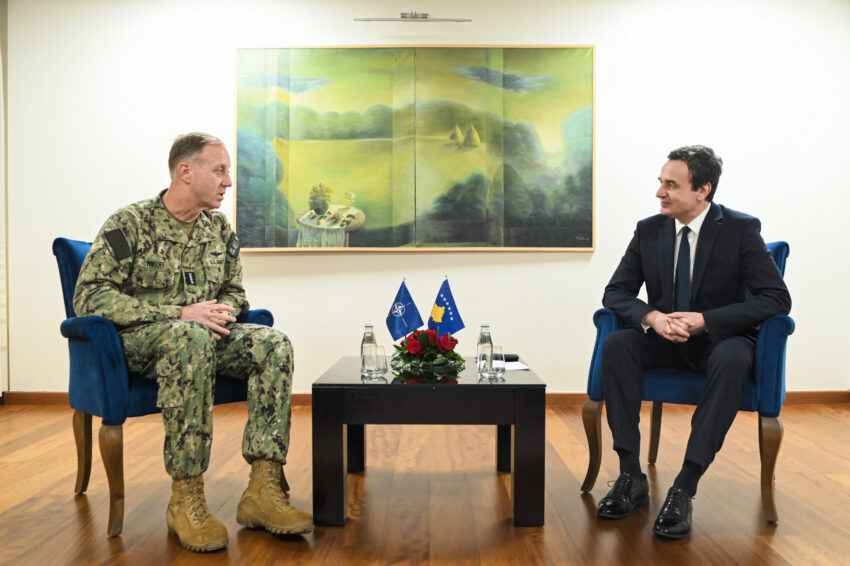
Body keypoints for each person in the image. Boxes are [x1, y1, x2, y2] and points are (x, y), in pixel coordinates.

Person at [73, 133, 312, 552]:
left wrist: (222, 310)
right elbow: (90, 296)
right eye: (219, 170)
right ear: (185, 171)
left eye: (228, 171)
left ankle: (263, 489)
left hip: (202, 336)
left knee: (273, 343)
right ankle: (186, 497)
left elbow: (235, 291)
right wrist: (179, 313)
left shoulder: (218, 230)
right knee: (189, 337)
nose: (228, 181)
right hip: (141, 343)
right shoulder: (129, 224)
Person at [596, 145, 791, 539]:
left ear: (703, 189)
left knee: (734, 358)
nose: (659, 193)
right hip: (663, 339)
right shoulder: (648, 230)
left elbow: (776, 298)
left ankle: (685, 486)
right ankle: (630, 475)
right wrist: (652, 317)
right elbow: (616, 292)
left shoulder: (740, 229)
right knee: (617, 345)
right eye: (660, 183)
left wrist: (706, 320)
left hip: (719, 342)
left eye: (671, 185)